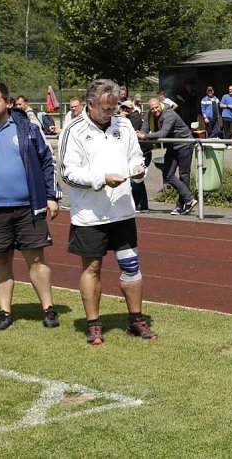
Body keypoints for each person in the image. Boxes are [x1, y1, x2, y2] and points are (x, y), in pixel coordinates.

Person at [58, 79, 157, 345]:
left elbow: (136, 156)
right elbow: (68, 173)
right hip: (90, 215)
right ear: (90, 104)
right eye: (105, 108)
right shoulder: (74, 129)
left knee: (131, 265)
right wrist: (101, 178)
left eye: (114, 107)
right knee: (92, 267)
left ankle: (136, 319)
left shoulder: (124, 125)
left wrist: (138, 170)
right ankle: (93, 324)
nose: (110, 112)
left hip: (123, 211)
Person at [0, 81, 61, 331]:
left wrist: (52, 196)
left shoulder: (28, 127)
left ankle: (48, 308)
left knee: (36, 260)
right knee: (1, 260)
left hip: (28, 208)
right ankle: (4, 312)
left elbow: (47, 160)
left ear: (8, 103)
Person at [138, 98, 197, 216]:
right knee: (167, 174)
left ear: (160, 105)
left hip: (184, 144)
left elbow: (162, 133)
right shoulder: (149, 115)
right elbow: (144, 129)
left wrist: (143, 136)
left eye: (156, 107)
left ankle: (181, 205)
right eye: (152, 109)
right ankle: (189, 198)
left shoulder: (169, 114)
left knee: (184, 175)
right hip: (172, 146)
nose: (155, 110)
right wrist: (140, 134)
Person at [119, 100, 152, 213]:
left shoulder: (135, 118)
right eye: (123, 108)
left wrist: (123, 119)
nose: (124, 110)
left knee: (136, 180)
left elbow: (130, 133)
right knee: (137, 181)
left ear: (131, 109)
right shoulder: (123, 119)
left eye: (126, 108)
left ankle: (141, 204)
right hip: (136, 152)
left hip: (143, 152)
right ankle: (141, 205)